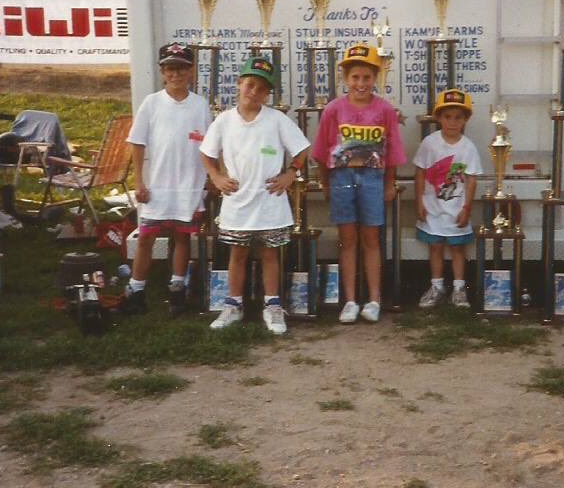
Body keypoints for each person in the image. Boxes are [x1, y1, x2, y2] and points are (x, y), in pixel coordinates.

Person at [200, 56, 310, 335]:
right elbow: (206, 153)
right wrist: (216, 177)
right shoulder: (224, 120)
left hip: (269, 201)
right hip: (237, 202)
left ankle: (272, 306)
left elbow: (301, 150)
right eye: (250, 84)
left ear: (267, 94)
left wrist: (290, 174)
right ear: (239, 84)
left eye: (261, 88)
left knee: (270, 255)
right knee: (237, 254)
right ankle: (233, 305)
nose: (254, 92)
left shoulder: (277, 119)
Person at [312, 44, 406, 323]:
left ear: (375, 78)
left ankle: (374, 300)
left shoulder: (385, 110)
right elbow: (322, 150)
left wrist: (389, 183)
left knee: (371, 239)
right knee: (347, 239)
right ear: (345, 78)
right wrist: (325, 183)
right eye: (355, 77)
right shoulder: (333, 109)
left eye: (367, 77)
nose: (361, 83)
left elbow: (392, 150)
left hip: (372, 178)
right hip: (342, 177)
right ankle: (350, 300)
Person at [124, 42, 212, 317]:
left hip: (188, 186)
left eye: (181, 69)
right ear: (162, 72)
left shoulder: (200, 105)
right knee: (146, 239)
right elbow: (137, 143)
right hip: (157, 186)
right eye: (170, 69)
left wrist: (210, 177)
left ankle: (177, 289)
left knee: (182, 239)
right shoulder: (151, 103)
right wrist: (139, 181)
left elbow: (208, 145)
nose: (176, 74)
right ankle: (136, 290)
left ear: (191, 71)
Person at [414, 89, 482, 308]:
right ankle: (436, 286)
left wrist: (467, 208)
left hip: (456, 209)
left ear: (466, 119)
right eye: (447, 116)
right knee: (435, 246)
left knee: (457, 248)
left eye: (458, 117)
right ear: (439, 118)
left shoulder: (468, 147)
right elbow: (420, 172)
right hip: (432, 207)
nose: (452, 122)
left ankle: (459, 289)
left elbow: (471, 180)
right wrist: (419, 201)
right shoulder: (429, 143)